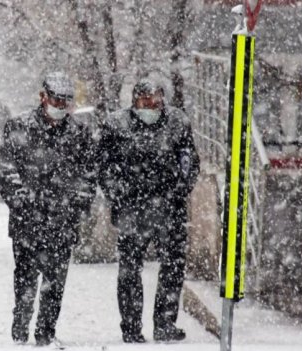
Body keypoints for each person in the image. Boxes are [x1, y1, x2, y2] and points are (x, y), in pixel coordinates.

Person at [97, 78, 200, 343]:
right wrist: (118, 193)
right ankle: (131, 327)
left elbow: (189, 161)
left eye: (156, 99)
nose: (151, 105)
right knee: (130, 269)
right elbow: (104, 165)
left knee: (173, 267)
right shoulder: (116, 124)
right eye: (145, 99)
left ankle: (165, 323)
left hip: (169, 209)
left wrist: (177, 191)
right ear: (134, 100)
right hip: (131, 210)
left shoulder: (178, 123)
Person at [0, 72, 96, 346]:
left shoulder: (79, 133)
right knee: (25, 279)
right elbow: (7, 171)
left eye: (66, 101)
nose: (60, 105)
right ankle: (20, 327)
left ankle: (46, 333)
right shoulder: (18, 127)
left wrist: (77, 204)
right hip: (26, 222)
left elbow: (88, 174)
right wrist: (21, 201)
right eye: (56, 99)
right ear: (43, 97)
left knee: (55, 281)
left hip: (62, 221)